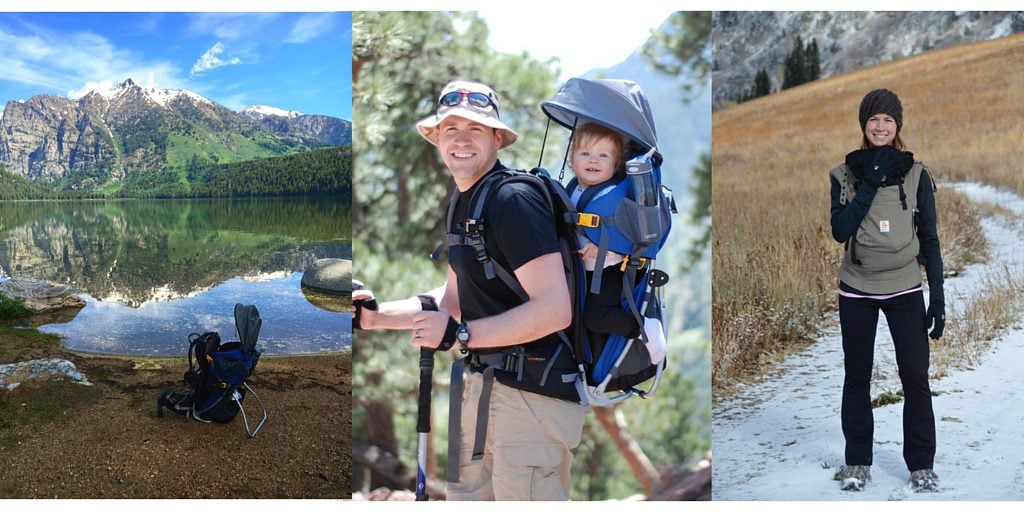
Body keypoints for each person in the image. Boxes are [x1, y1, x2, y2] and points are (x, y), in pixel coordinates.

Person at [352, 80, 585, 501]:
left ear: (497, 137)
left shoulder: (513, 200)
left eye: (475, 129)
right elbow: (453, 300)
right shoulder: (464, 201)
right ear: (436, 137)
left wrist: (460, 335)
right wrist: (375, 316)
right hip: (481, 385)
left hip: (533, 394)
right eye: (451, 128)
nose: (461, 139)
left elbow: (555, 309)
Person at [828, 88, 945, 493]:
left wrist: (938, 296)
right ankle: (858, 461)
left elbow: (929, 238)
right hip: (856, 287)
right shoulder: (843, 175)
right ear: (864, 124)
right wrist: (869, 184)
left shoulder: (917, 174)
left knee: (915, 376)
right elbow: (840, 230)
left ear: (897, 127)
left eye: (888, 120)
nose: (880, 126)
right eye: (874, 119)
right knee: (856, 376)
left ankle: (921, 465)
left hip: (904, 287)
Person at [567, 122, 665, 365]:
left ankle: (644, 329)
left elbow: (629, 234)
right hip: (581, 269)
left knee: (596, 317)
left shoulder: (618, 194)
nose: (594, 161)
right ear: (572, 159)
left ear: (616, 164)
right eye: (585, 153)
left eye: (603, 155)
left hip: (609, 270)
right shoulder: (572, 189)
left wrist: (604, 248)